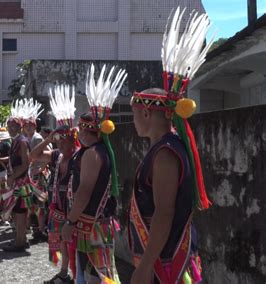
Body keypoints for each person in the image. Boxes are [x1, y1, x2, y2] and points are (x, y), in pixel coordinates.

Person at [129, 7, 212, 284]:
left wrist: (144, 267)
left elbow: (165, 213)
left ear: (144, 113)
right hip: (165, 257)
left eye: (133, 115)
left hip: (166, 262)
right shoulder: (168, 146)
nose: (134, 122)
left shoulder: (166, 153)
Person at [61, 64, 127, 283]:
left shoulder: (92, 154)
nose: (77, 132)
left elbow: (85, 191)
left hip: (92, 224)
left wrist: (70, 222)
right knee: (94, 272)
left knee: (96, 276)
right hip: (94, 223)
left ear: (85, 129)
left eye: (80, 128)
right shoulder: (99, 151)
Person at [30, 84, 80, 284]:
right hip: (58, 206)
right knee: (62, 243)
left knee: (75, 244)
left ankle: (76, 275)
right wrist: (48, 139)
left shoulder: (80, 155)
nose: (60, 144)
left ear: (72, 140)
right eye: (58, 140)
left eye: (63, 140)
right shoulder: (56, 155)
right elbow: (33, 156)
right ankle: (64, 273)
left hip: (74, 208)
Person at [1, 98, 39, 252]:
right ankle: (20, 239)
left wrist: (12, 177)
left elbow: (25, 163)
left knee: (20, 212)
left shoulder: (21, 141)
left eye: (13, 126)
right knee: (18, 213)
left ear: (19, 127)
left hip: (21, 182)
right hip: (18, 180)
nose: (10, 128)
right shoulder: (16, 140)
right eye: (9, 126)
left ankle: (20, 242)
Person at [22, 100, 49, 243]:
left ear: (35, 125)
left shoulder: (37, 137)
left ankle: (40, 229)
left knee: (40, 204)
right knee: (30, 204)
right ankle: (31, 228)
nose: (27, 127)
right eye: (25, 125)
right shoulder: (27, 137)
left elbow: (48, 153)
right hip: (30, 174)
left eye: (30, 125)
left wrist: (42, 168)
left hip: (37, 176)